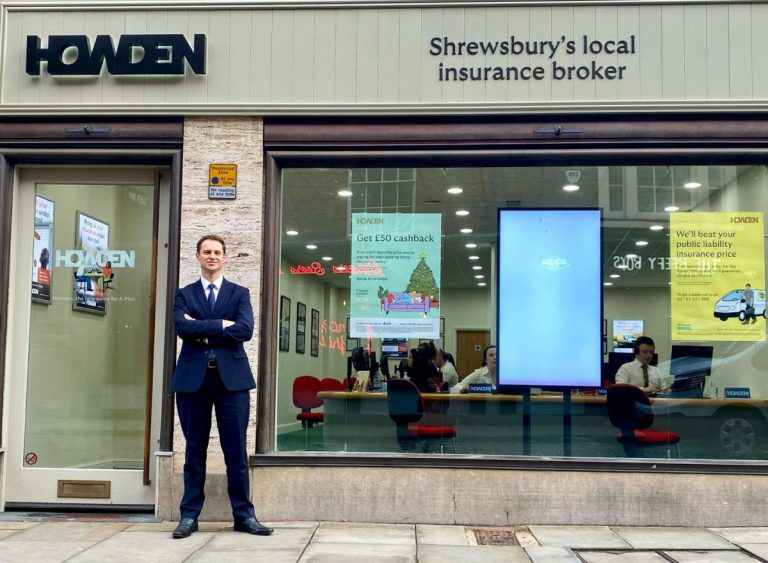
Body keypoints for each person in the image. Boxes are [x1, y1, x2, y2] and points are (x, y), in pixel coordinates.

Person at [171, 234, 272, 539]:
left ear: (225, 257)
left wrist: (201, 330)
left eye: (217, 252)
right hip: (193, 382)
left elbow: (245, 330)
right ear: (198, 257)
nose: (212, 256)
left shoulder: (239, 293)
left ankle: (244, 515)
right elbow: (181, 327)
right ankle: (189, 516)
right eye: (206, 252)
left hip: (232, 382)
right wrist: (221, 325)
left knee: (236, 452)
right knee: (194, 451)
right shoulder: (184, 294)